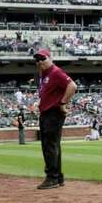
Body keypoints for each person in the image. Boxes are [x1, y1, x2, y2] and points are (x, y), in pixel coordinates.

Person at [34, 48, 76, 189]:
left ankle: (52, 177)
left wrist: (63, 102)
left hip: (52, 113)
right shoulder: (45, 75)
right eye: (37, 60)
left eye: (43, 58)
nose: (40, 61)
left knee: (49, 146)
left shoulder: (55, 72)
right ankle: (58, 177)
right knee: (53, 146)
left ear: (50, 58)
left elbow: (72, 86)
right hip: (47, 113)